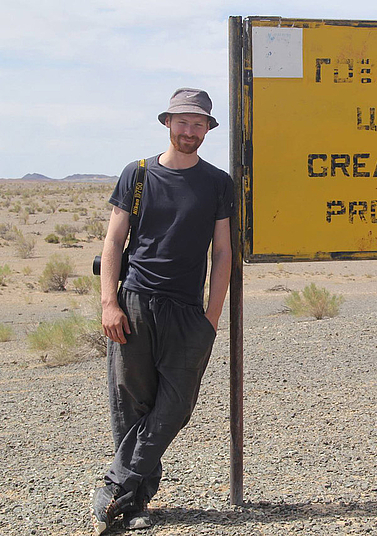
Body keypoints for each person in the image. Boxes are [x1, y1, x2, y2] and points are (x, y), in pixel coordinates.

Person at [91, 88, 233, 535]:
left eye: (198, 124)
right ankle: (131, 504)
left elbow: (223, 253)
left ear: (207, 130)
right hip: (135, 302)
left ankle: (114, 485)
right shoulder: (137, 175)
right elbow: (114, 241)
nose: (189, 131)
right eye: (182, 122)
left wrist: (212, 318)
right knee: (131, 403)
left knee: (176, 406)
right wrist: (110, 302)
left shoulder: (217, 182)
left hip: (188, 313)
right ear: (167, 123)